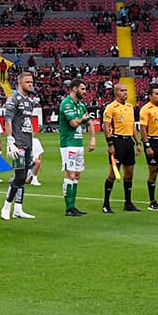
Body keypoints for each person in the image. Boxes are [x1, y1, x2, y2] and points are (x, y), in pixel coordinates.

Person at [1, 71, 38, 220]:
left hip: (27, 143)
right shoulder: (13, 99)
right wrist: (10, 140)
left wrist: (33, 145)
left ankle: (18, 209)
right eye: (28, 82)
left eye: (32, 82)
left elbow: (28, 124)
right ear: (20, 83)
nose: (31, 84)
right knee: (19, 175)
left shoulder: (30, 101)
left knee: (25, 177)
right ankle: (6, 206)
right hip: (18, 144)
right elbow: (8, 121)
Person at [58, 78, 96, 216]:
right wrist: (83, 119)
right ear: (74, 89)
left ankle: (73, 206)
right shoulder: (66, 104)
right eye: (82, 89)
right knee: (70, 174)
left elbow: (91, 123)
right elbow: (74, 123)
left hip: (79, 144)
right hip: (68, 144)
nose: (85, 92)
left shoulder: (81, 106)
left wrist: (92, 139)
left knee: (77, 175)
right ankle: (68, 208)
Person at [102, 82, 140, 213]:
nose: (125, 93)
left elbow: (133, 126)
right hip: (117, 142)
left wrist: (138, 143)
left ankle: (128, 203)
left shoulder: (130, 107)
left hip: (129, 142)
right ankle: (106, 204)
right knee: (113, 174)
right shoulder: (111, 107)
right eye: (122, 91)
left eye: (126, 90)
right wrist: (110, 144)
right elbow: (106, 127)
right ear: (116, 92)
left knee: (129, 174)